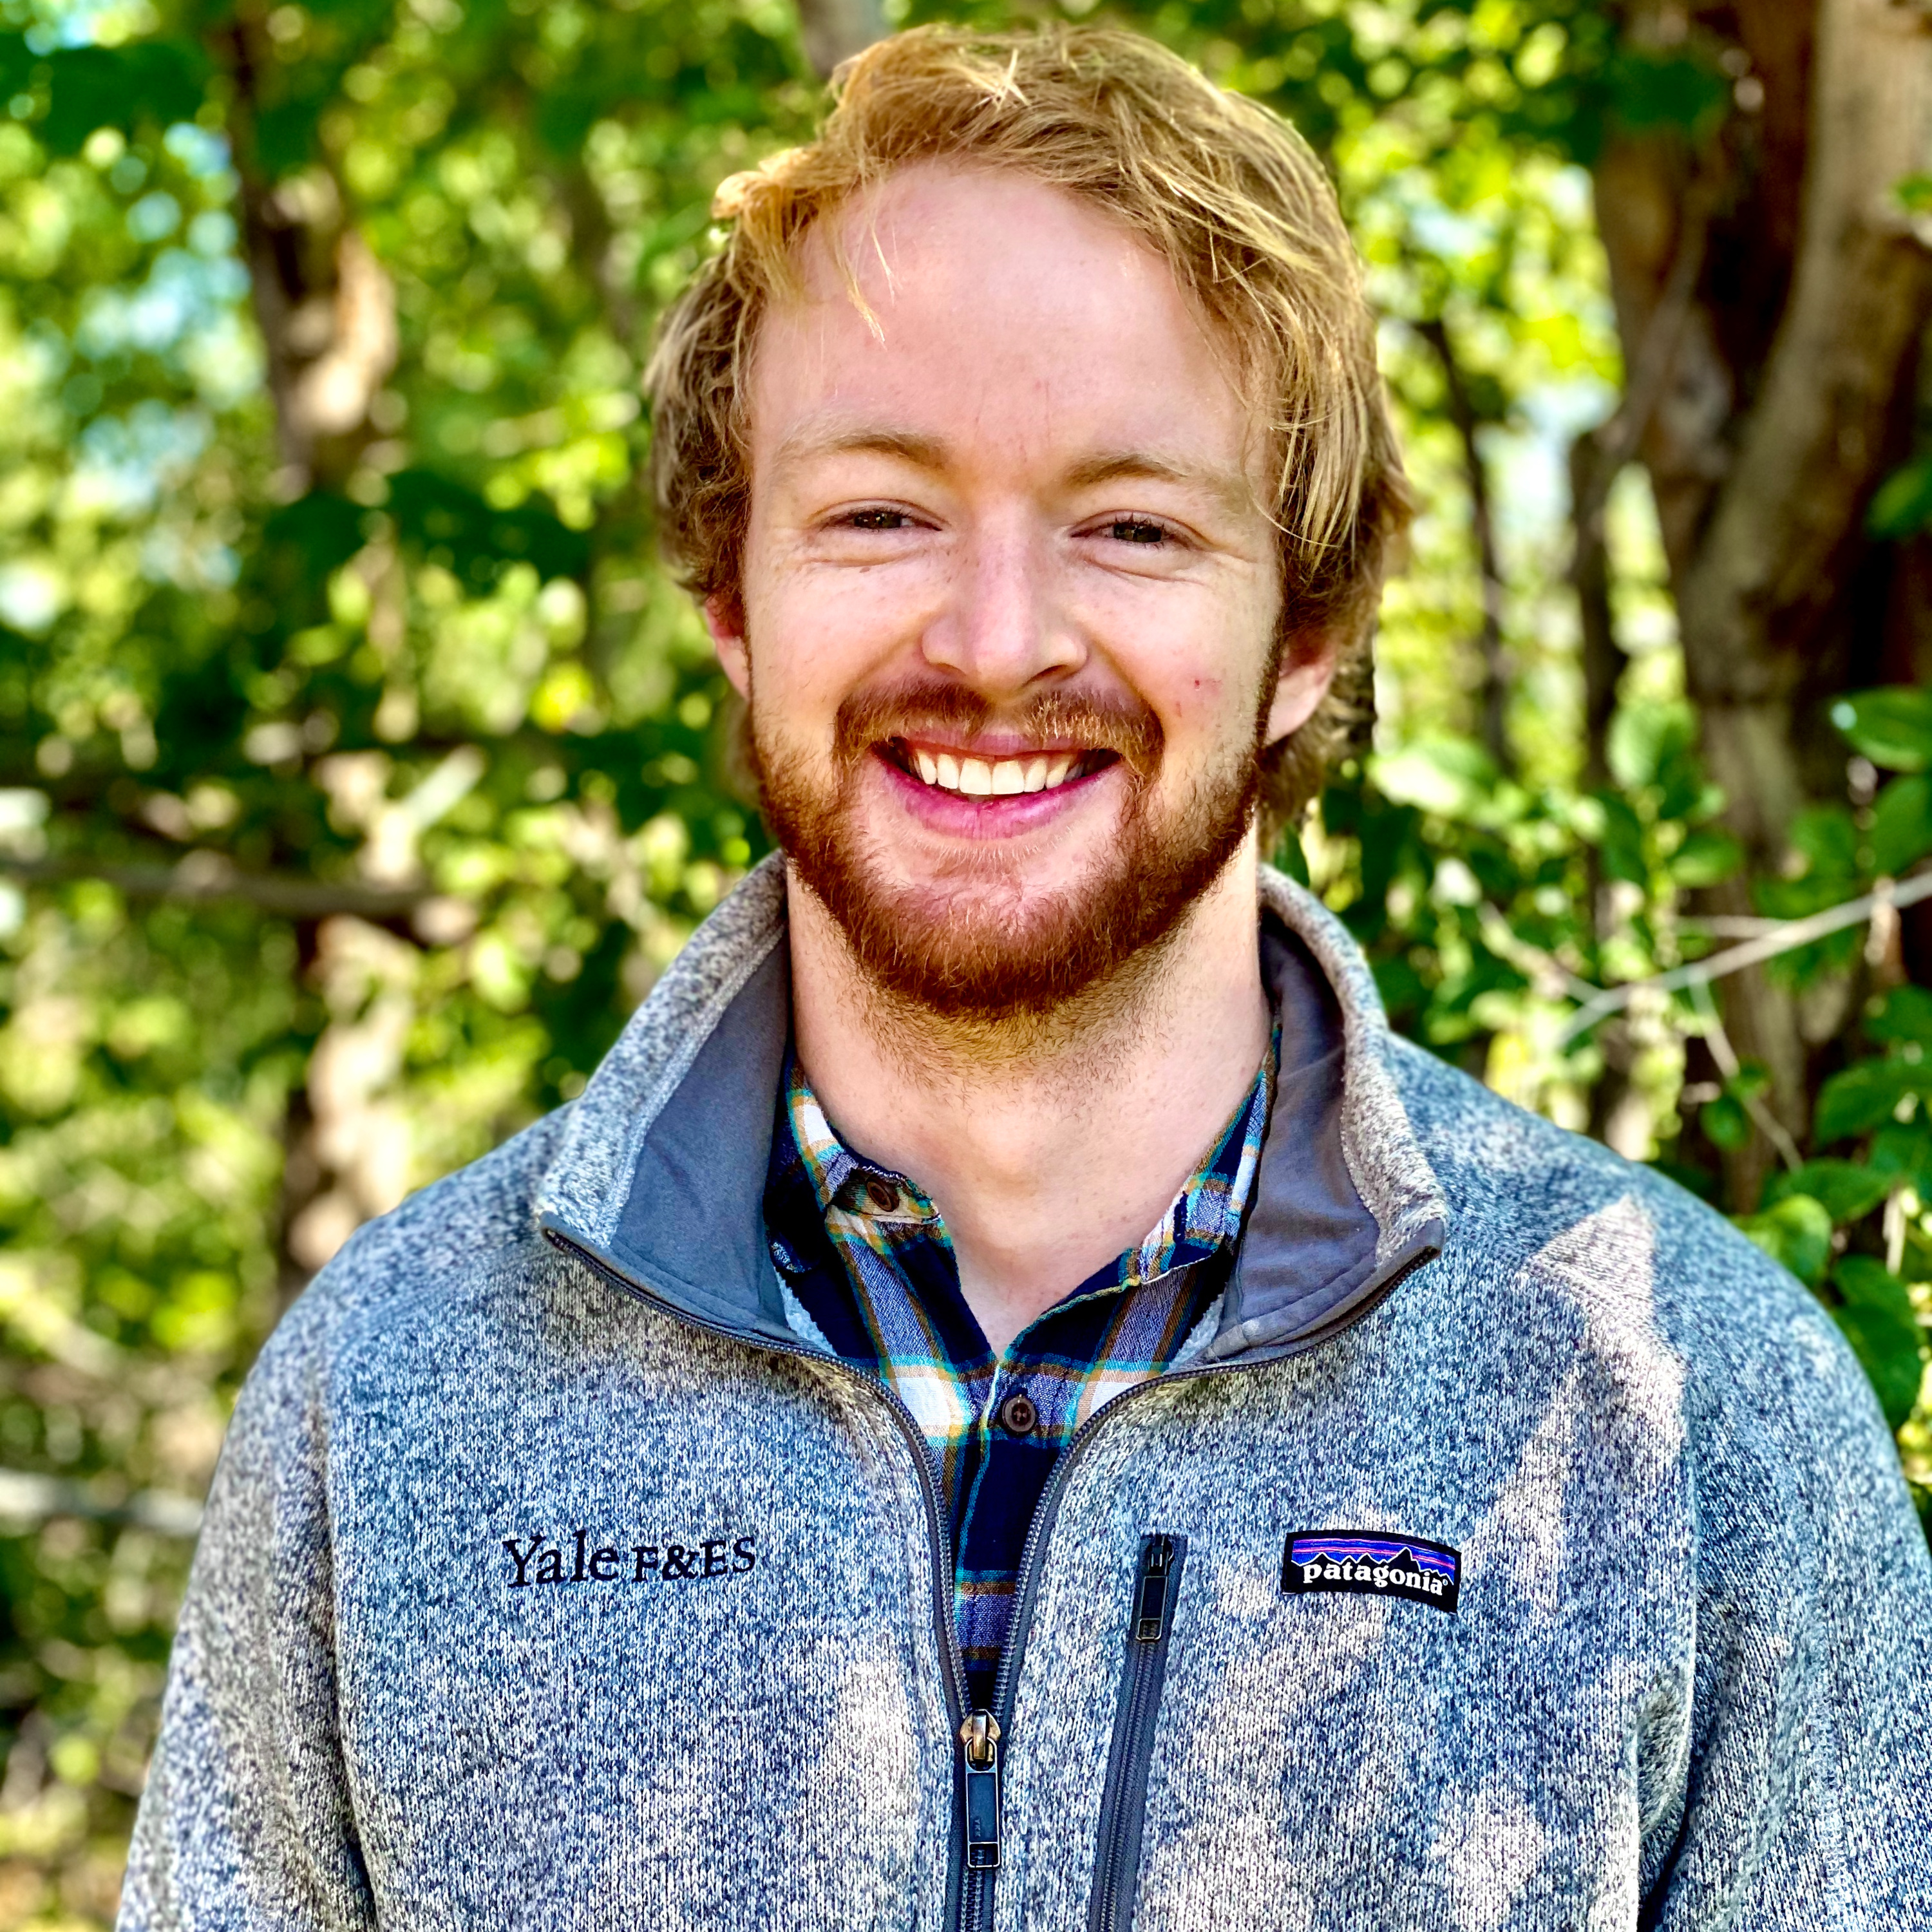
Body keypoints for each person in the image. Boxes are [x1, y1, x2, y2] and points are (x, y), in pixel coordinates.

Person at [121, 24, 1931, 1931]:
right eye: (881, 514)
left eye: (1132, 526)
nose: (996, 644)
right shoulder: (396, 1393)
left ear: (1308, 628)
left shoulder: (1682, 1414)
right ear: (732, 595)